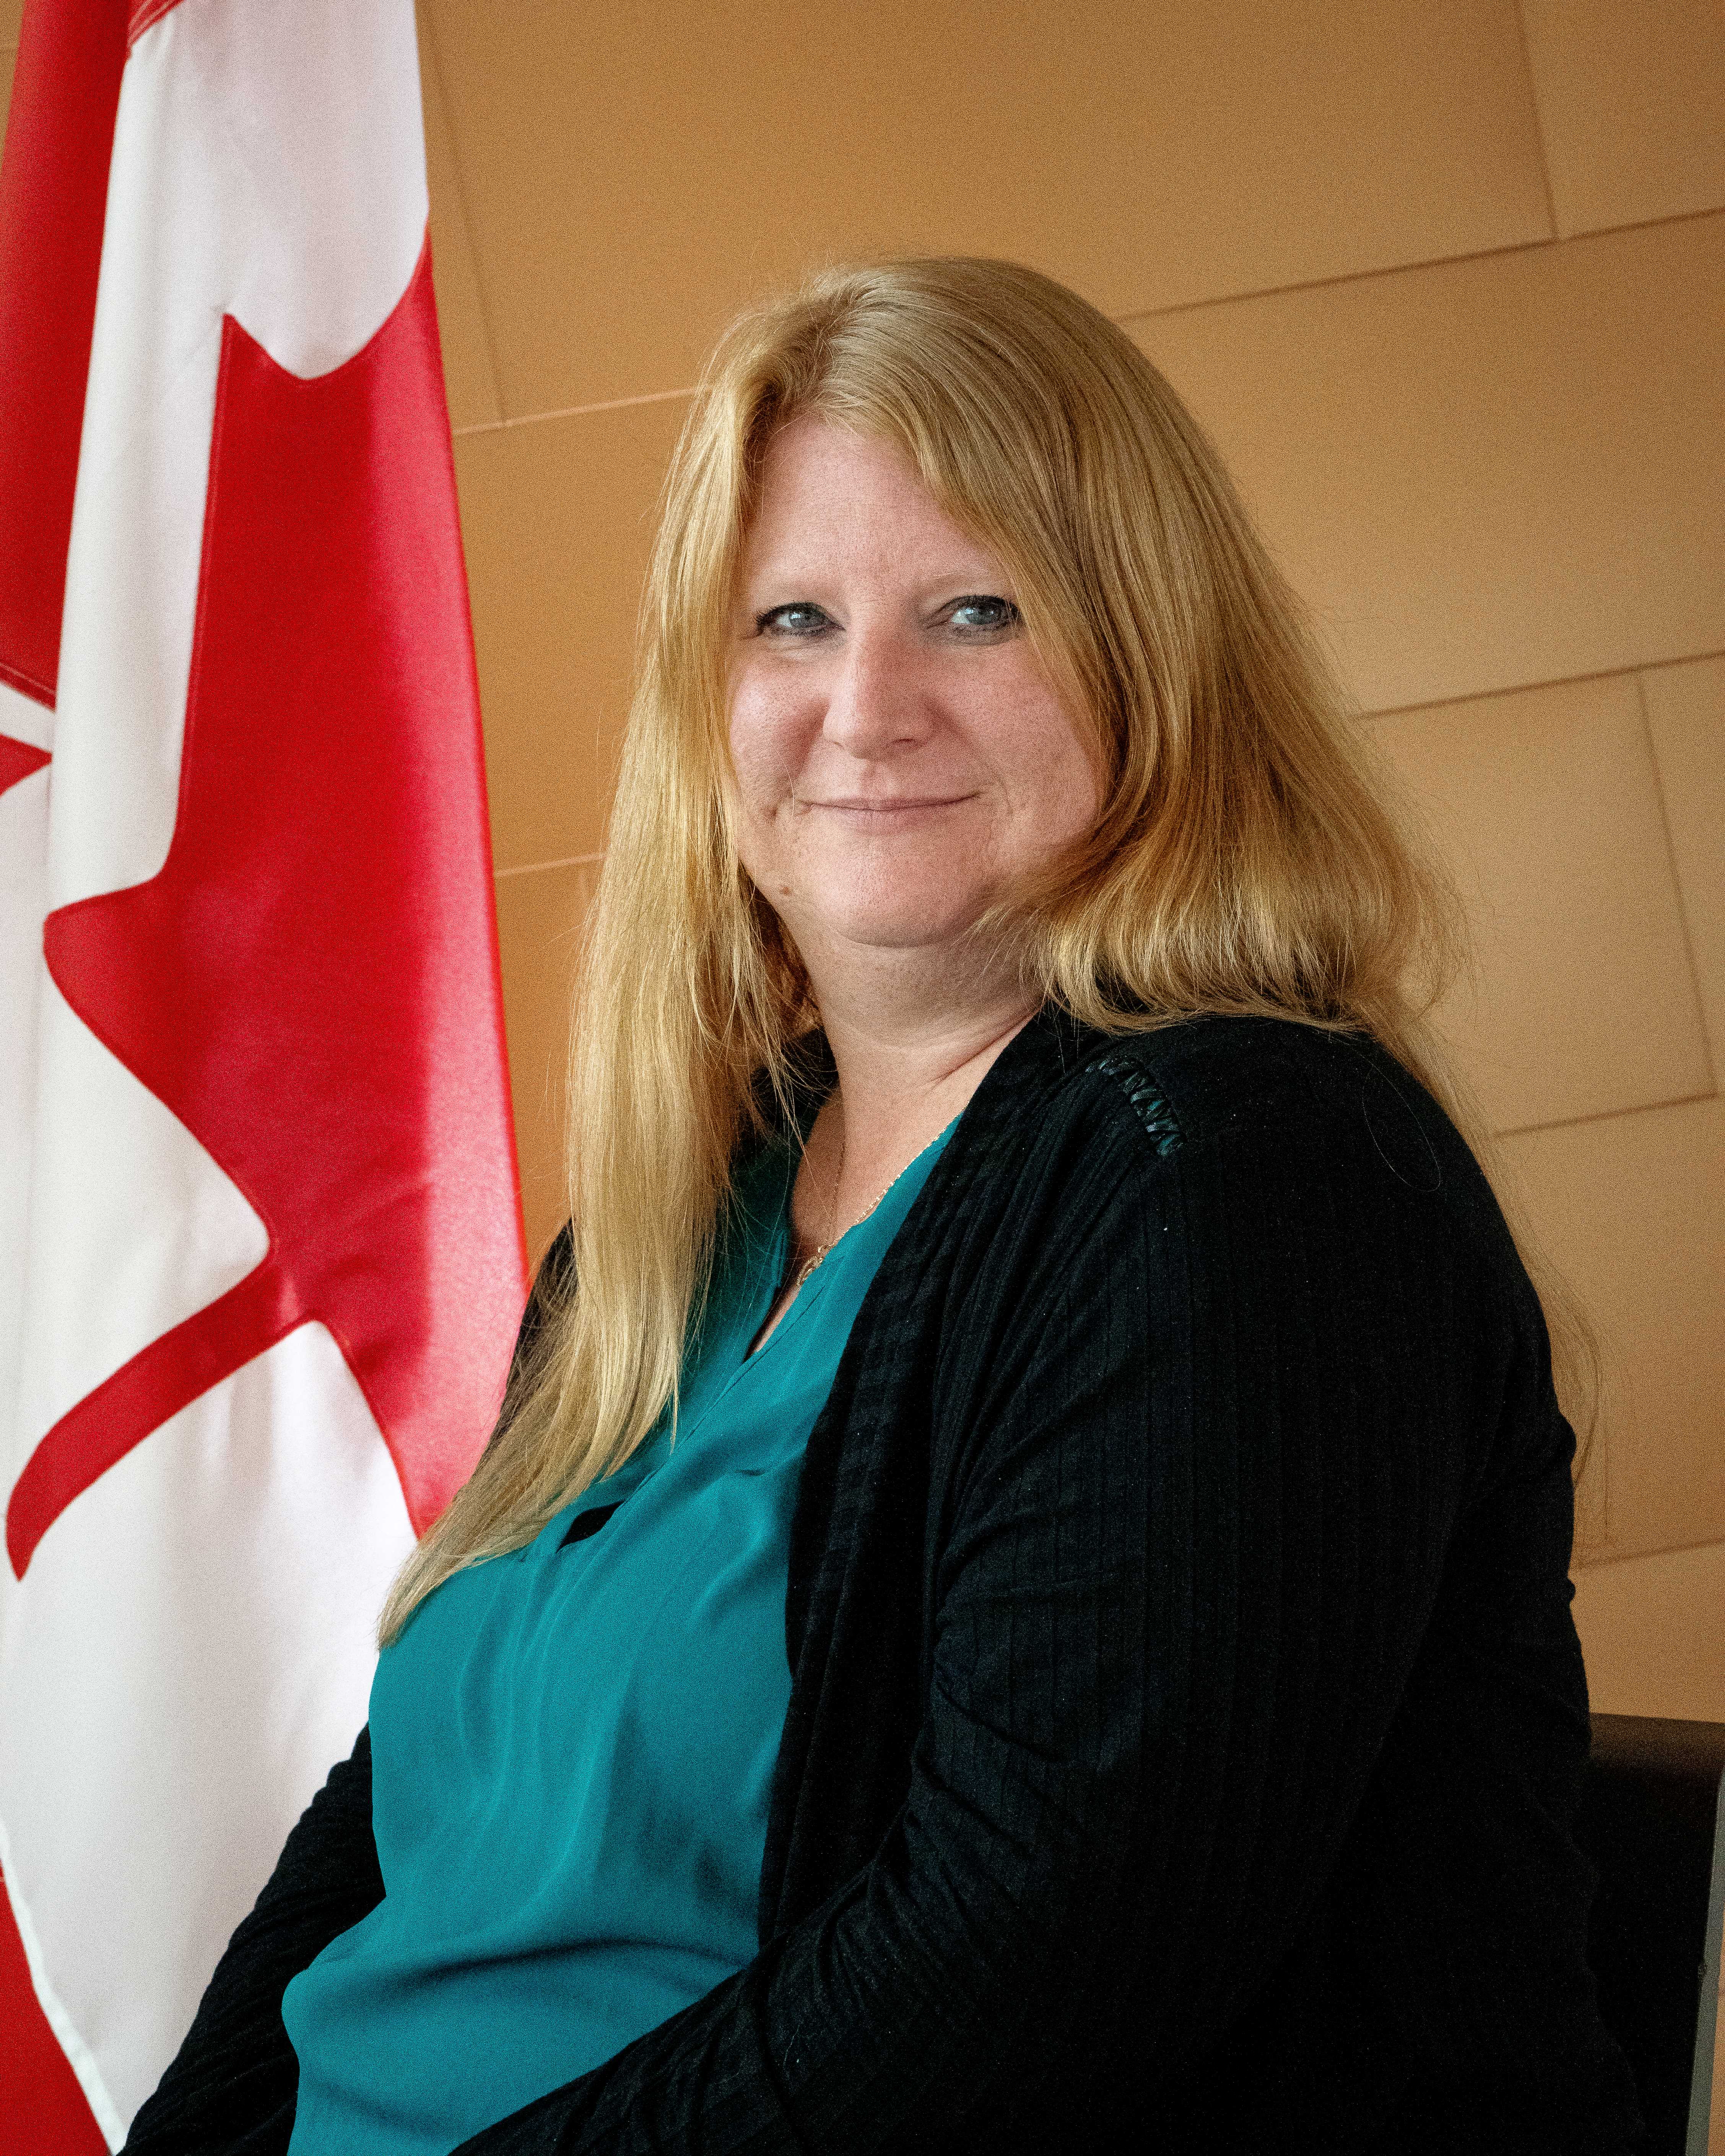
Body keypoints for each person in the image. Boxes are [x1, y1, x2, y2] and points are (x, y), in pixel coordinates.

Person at [124, 257, 1640, 2155]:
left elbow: (1027, 1973)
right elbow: (398, 1830)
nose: (868, 707)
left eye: (977, 613)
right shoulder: (683, 1225)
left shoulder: (1247, 1177)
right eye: (793, 621)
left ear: (1155, 662)